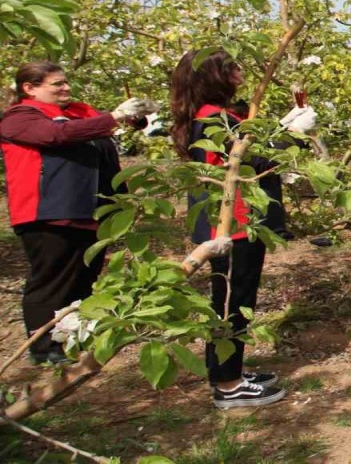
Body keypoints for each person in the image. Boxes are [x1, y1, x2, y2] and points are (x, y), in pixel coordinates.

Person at [170, 49, 315, 409]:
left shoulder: (219, 115)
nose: (239, 70)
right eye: (230, 67)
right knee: (232, 302)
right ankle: (228, 384)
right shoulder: (214, 119)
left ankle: (228, 370)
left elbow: (249, 151)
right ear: (212, 76)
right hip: (234, 224)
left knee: (232, 299)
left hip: (236, 221)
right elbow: (258, 161)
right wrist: (293, 133)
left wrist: (282, 127)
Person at [0, 62, 157, 365]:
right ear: (29, 88)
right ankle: (43, 347)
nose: (65, 88)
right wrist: (115, 116)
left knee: (82, 279)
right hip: (48, 211)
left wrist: (136, 115)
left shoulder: (78, 111)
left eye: (66, 82)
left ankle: (72, 340)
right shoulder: (20, 117)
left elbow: (102, 124)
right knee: (52, 280)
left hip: (89, 210)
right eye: (56, 84)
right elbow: (58, 136)